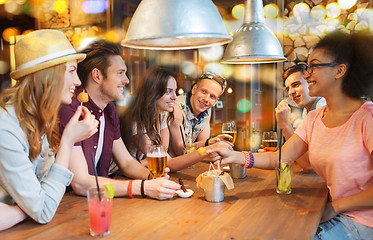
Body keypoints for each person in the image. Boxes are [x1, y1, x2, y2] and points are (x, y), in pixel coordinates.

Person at [209, 30, 373, 239]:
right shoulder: (315, 118)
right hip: (339, 214)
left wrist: (336, 206)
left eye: (314, 66)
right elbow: (281, 157)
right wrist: (236, 157)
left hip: (363, 223)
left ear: (339, 71)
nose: (307, 74)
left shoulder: (367, 117)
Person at [0, 30, 98, 230]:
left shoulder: (36, 118)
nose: (78, 81)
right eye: (71, 71)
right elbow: (44, 210)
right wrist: (68, 141)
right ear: (48, 76)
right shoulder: (6, 127)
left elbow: (44, 198)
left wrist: (33, 206)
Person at [59, 40, 180, 200]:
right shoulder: (71, 109)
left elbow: (127, 163)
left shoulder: (109, 110)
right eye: (120, 73)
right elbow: (80, 183)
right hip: (68, 205)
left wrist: (154, 179)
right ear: (97, 75)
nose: (126, 80)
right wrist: (143, 187)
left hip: (100, 200)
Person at [120, 66, 232, 171]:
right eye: (169, 91)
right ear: (153, 92)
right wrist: (208, 148)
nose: (174, 97)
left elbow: (164, 159)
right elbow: (170, 158)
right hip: (123, 175)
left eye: (174, 90)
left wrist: (209, 148)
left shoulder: (163, 114)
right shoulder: (138, 119)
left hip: (143, 170)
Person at [275, 65, 326, 171]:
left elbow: (308, 165)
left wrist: (285, 125)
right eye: (288, 88)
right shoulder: (307, 110)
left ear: (312, 82)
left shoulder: (323, 108)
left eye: (296, 85)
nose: (290, 92)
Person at [169, 72, 232, 157]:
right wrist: (208, 143)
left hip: (188, 163)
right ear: (194, 89)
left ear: (215, 102)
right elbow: (180, 150)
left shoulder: (206, 110)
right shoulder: (176, 108)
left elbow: (202, 150)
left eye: (212, 97)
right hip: (168, 165)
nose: (206, 99)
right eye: (203, 91)